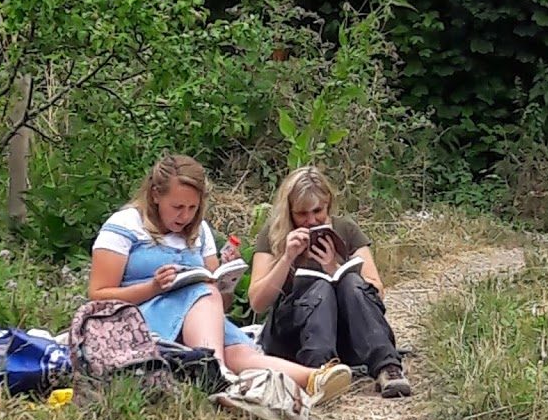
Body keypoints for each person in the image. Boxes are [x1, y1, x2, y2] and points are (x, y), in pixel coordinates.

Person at [88, 154, 351, 403]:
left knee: (238, 349)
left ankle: (313, 379)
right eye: (178, 207)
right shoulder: (125, 225)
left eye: (193, 207)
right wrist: (152, 287)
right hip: (141, 317)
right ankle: (218, 371)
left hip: (197, 324)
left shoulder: (199, 231)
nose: (185, 216)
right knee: (206, 298)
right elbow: (99, 295)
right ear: (156, 195)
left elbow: (217, 306)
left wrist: (227, 279)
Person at [248, 166, 411, 398]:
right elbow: (257, 302)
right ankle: (318, 371)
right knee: (319, 288)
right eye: (302, 214)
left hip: (345, 335)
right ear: (289, 212)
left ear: (328, 204)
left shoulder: (346, 229)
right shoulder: (273, 235)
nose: (311, 220)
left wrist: (334, 267)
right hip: (292, 338)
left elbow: (376, 289)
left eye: (318, 211)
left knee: (353, 283)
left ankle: (387, 367)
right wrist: (287, 258)